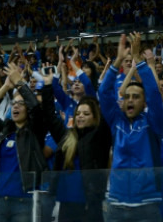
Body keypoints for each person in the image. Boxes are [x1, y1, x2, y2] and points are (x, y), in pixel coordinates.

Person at [99, 33, 163, 222]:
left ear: (144, 102)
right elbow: (104, 92)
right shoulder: (116, 122)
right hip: (116, 203)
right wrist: (118, 60)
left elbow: (153, 92)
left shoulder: (153, 123)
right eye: (127, 96)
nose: (130, 100)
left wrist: (139, 62)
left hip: (147, 203)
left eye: (136, 97)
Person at [0, 63, 49, 222]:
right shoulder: (6, 130)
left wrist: (20, 83)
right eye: (13, 104)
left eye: (20, 103)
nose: (15, 106)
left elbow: (36, 110)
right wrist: (5, 87)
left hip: (23, 201)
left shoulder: (34, 131)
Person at [42, 75, 112, 222]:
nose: (80, 117)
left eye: (86, 114)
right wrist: (48, 86)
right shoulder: (67, 137)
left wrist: (84, 78)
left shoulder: (100, 136)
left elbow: (97, 100)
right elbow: (49, 116)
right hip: (66, 205)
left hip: (90, 206)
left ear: (95, 117)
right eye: (78, 113)